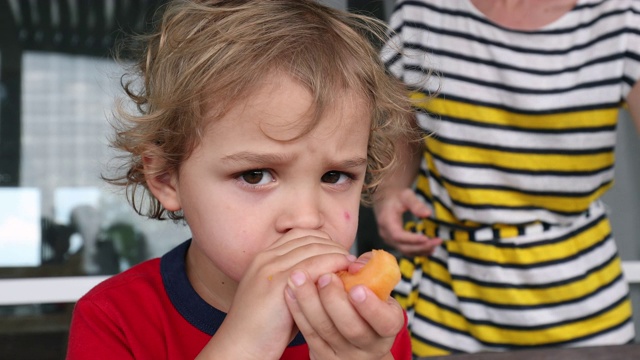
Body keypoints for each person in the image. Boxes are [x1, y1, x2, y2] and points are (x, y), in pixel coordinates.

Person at [66, 1, 418, 359]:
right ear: (166, 178)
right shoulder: (114, 318)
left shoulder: (370, 323)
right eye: (255, 175)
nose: (306, 218)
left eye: (335, 176)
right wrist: (244, 344)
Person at [375, 0, 640, 357]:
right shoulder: (422, 10)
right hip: (446, 305)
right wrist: (391, 192)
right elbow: (403, 123)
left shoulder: (623, 18)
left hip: (583, 310)